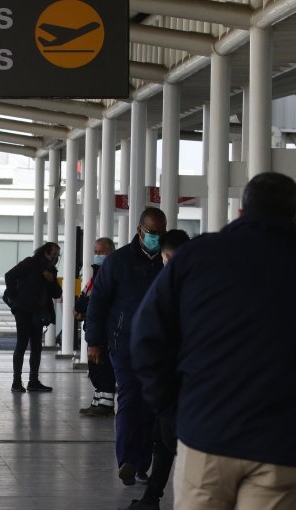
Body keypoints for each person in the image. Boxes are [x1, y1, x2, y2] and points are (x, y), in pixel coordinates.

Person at [132, 173, 296, 510]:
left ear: (240, 213)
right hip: (279, 447)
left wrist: (173, 412)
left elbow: (146, 338)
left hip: (205, 437)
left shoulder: (195, 259)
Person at [84, 207, 166, 486]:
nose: (156, 238)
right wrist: (94, 340)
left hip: (159, 347)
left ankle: (142, 464)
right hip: (124, 343)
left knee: (152, 406)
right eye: (152, 233)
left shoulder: (168, 262)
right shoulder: (118, 262)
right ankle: (127, 461)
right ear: (139, 231)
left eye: (160, 233)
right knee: (130, 399)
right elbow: (98, 303)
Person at [121, 230, 190, 510]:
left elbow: (148, 336)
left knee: (170, 443)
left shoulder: (169, 284)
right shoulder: (204, 283)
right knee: (164, 443)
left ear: (165, 255)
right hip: (194, 380)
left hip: (175, 382)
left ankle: (154, 499)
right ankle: (151, 498)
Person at [4, 242, 62, 393]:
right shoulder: (30, 263)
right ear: (45, 252)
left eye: (57, 255)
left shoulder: (51, 270)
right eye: (53, 254)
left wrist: (51, 281)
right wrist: (14, 297)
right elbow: (9, 275)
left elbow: (57, 293)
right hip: (23, 310)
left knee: (37, 347)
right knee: (22, 344)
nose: (55, 258)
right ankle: (16, 382)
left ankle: (33, 381)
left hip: (38, 313)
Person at [76, 237, 116, 417]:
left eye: (101, 252)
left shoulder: (112, 271)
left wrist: (84, 308)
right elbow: (87, 295)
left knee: (103, 364)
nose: (98, 255)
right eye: (96, 252)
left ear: (110, 252)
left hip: (105, 328)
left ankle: (105, 404)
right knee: (95, 366)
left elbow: (99, 301)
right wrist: (79, 308)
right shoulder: (97, 272)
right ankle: (98, 399)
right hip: (95, 326)